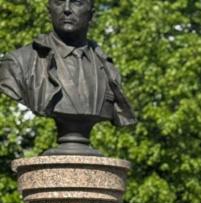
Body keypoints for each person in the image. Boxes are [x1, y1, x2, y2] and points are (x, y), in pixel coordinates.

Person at [0, 0, 135, 129]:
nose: (66, 9)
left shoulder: (107, 67)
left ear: (91, 15)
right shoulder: (17, 64)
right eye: (59, 2)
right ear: (49, 11)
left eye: (77, 2)